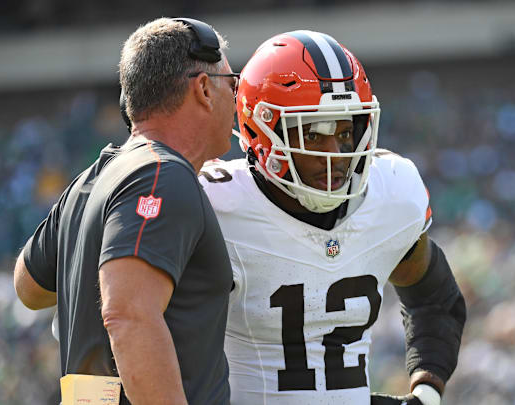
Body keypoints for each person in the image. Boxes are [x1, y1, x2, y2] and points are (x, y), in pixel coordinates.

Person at [197, 31, 466, 405]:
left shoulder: (391, 194)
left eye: (345, 131)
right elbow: (141, 327)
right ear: (262, 129)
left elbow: (437, 299)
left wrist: (426, 391)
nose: (335, 154)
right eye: (313, 133)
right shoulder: (213, 204)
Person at [13, 17, 237, 405]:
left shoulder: (94, 177)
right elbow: (129, 316)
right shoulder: (162, 174)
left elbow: (28, 287)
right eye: (231, 85)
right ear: (203, 89)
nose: (236, 99)